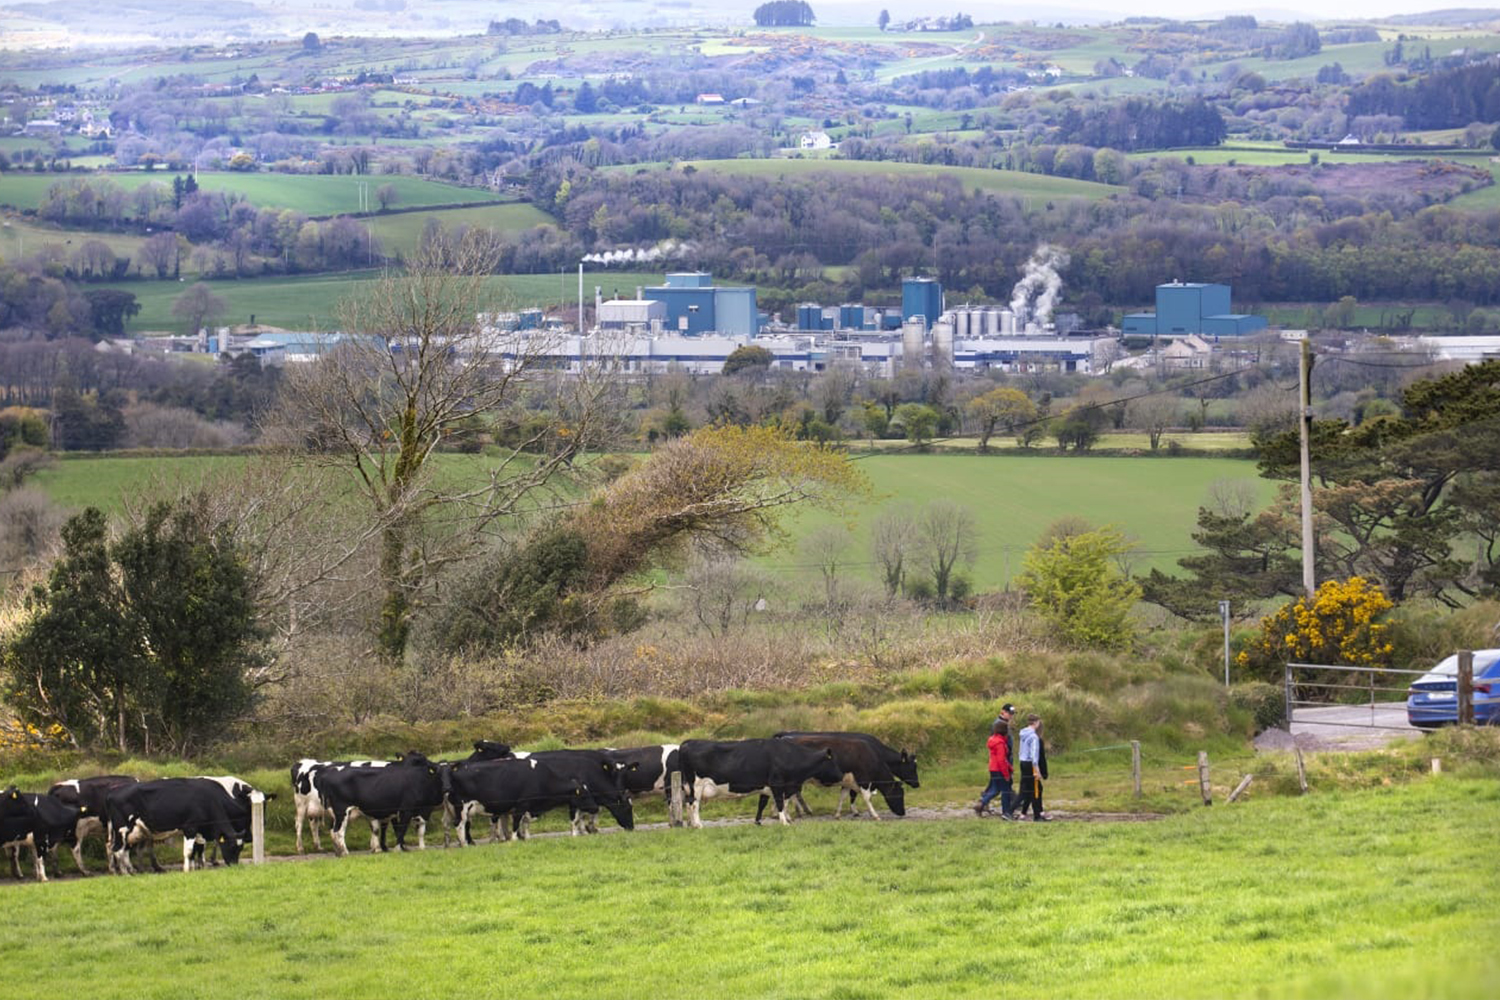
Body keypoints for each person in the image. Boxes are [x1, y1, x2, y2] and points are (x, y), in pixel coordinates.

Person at [973, 716, 1014, 818]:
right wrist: (1006, 773)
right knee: (1005, 790)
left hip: (993, 768)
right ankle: (1006, 812)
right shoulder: (1000, 743)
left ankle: (982, 802)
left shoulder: (993, 740)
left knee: (995, 789)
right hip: (1000, 769)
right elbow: (1002, 760)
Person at [1013, 713, 1050, 821]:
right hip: (1030, 764)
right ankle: (1036, 815)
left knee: (1030, 789)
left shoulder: (1023, 734)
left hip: (1023, 762)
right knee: (1034, 789)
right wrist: (1037, 770)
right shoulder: (1034, 737)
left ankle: (1031, 813)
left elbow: (1021, 751)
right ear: (1036, 723)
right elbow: (1034, 754)